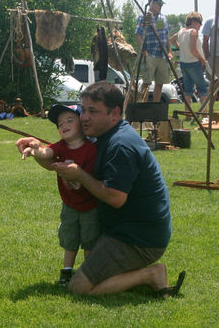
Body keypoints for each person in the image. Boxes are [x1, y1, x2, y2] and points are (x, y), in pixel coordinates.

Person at [52, 82, 186, 296]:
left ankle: (151, 274)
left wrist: (80, 176)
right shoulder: (102, 135)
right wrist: (37, 149)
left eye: (92, 111)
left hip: (138, 239)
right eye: (83, 110)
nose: (84, 117)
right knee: (90, 275)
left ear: (114, 113)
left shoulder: (121, 145)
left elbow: (115, 198)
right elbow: (65, 150)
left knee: (79, 288)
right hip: (123, 231)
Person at [16, 104, 99, 287]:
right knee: (69, 238)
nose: (64, 125)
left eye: (70, 120)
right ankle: (67, 272)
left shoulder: (91, 149)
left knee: (89, 241)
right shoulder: (61, 147)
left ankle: (87, 272)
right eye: (60, 124)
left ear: (82, 124)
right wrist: (33, 149)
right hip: (69, 204)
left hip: (90, 206)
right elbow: (46, 152)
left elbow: (93, 175)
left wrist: (79, 180)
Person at [135, 0, 172, 102]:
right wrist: (143, 51)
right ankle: (143, 105)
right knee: (146, 82)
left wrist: (169, 52)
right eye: (158, 4)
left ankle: (156, 105)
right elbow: (138, 35)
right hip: (150, 54)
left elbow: (167, 35)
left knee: (160, 83)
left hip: (162, 55)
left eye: (161, 5)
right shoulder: (144, 17)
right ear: (152, 4)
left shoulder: (163, 18)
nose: (160, 6)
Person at [170, 11, 208, 107]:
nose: (200, 25)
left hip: (184, 63)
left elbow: (172, 39)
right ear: (194, 22)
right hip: (194, 63)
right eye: (200, 22)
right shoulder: (193, 32)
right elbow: (193, 50)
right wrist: (202, 59)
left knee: (188, 90)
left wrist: (180, 47)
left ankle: (188, 112)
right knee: (202, 89)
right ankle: (204, 112)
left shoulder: (181, 31)